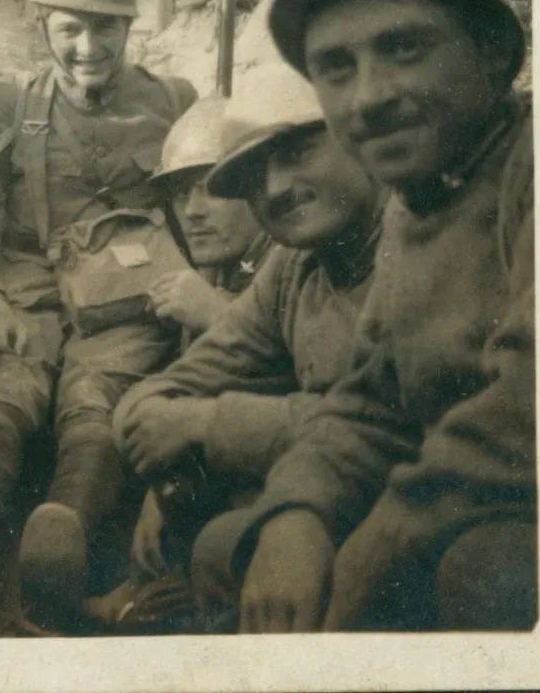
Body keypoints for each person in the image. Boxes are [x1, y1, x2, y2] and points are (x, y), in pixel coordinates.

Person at [221, 0, 535, 633]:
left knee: (490, 570)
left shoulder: (531, 171)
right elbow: (371, 400)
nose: (368, 97)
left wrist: (384, 537)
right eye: (335, 67)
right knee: (243, 549)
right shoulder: (413, 201)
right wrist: (298, 511)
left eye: (404, 48)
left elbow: (532, 394)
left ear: (491, 52)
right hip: (458, 497)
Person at [0, 0, 197, 635]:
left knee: (97, 397)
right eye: (70, 29)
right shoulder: (3, 106)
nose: (88, 48)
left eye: (106, 29)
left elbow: (201, 216)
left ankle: (58, 538)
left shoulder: (174, 103)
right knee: (7, 386)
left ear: (131, 30)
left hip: (128, 300)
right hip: (24, 294)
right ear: (43, 26)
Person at [105, 62, 385, 632]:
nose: (275, 188)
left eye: (297, 153)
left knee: (223, 543)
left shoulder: (426, 247)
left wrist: (209, 424)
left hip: (413, 509)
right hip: (327, 491)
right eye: (253, 177)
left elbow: (404, 427)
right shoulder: (294, 268)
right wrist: (172, 442)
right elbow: (156, 397)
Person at [146, 95, 270, 343]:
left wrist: (218, 317)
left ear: (258, 188)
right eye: (181, 194)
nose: (192, 210)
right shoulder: (215, 268)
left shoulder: (298, 267)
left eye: (212, 190)